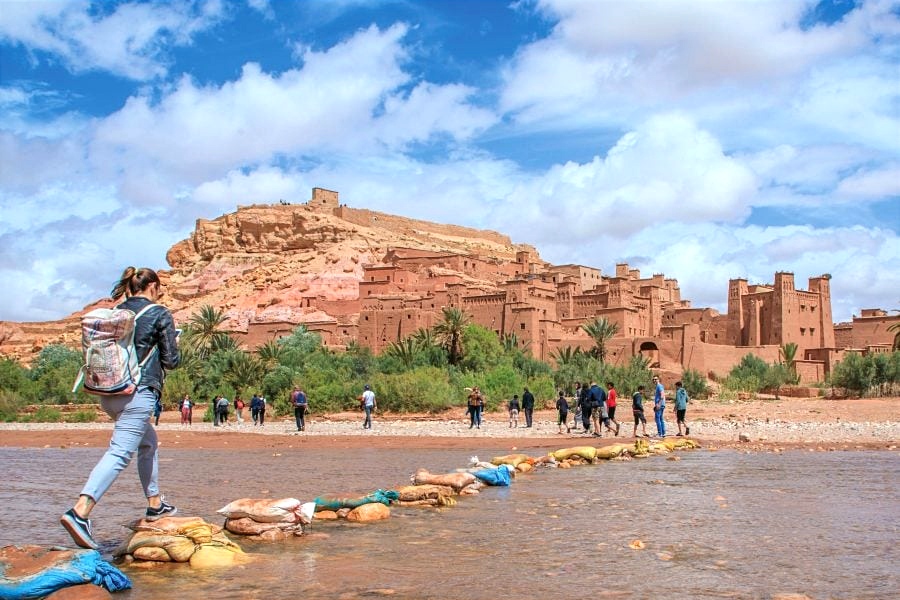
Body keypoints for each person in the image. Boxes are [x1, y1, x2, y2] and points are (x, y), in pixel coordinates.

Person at [60, 266, 180, 550]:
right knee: (119, 452)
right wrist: (174, 342)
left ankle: (155, 504)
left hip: (109, 394)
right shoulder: (159, 313)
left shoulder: (116, 313)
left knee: (148, 443)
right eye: (159, 288)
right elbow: (172, 361)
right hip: (138, 393)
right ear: (153, 286)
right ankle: (80, 511)